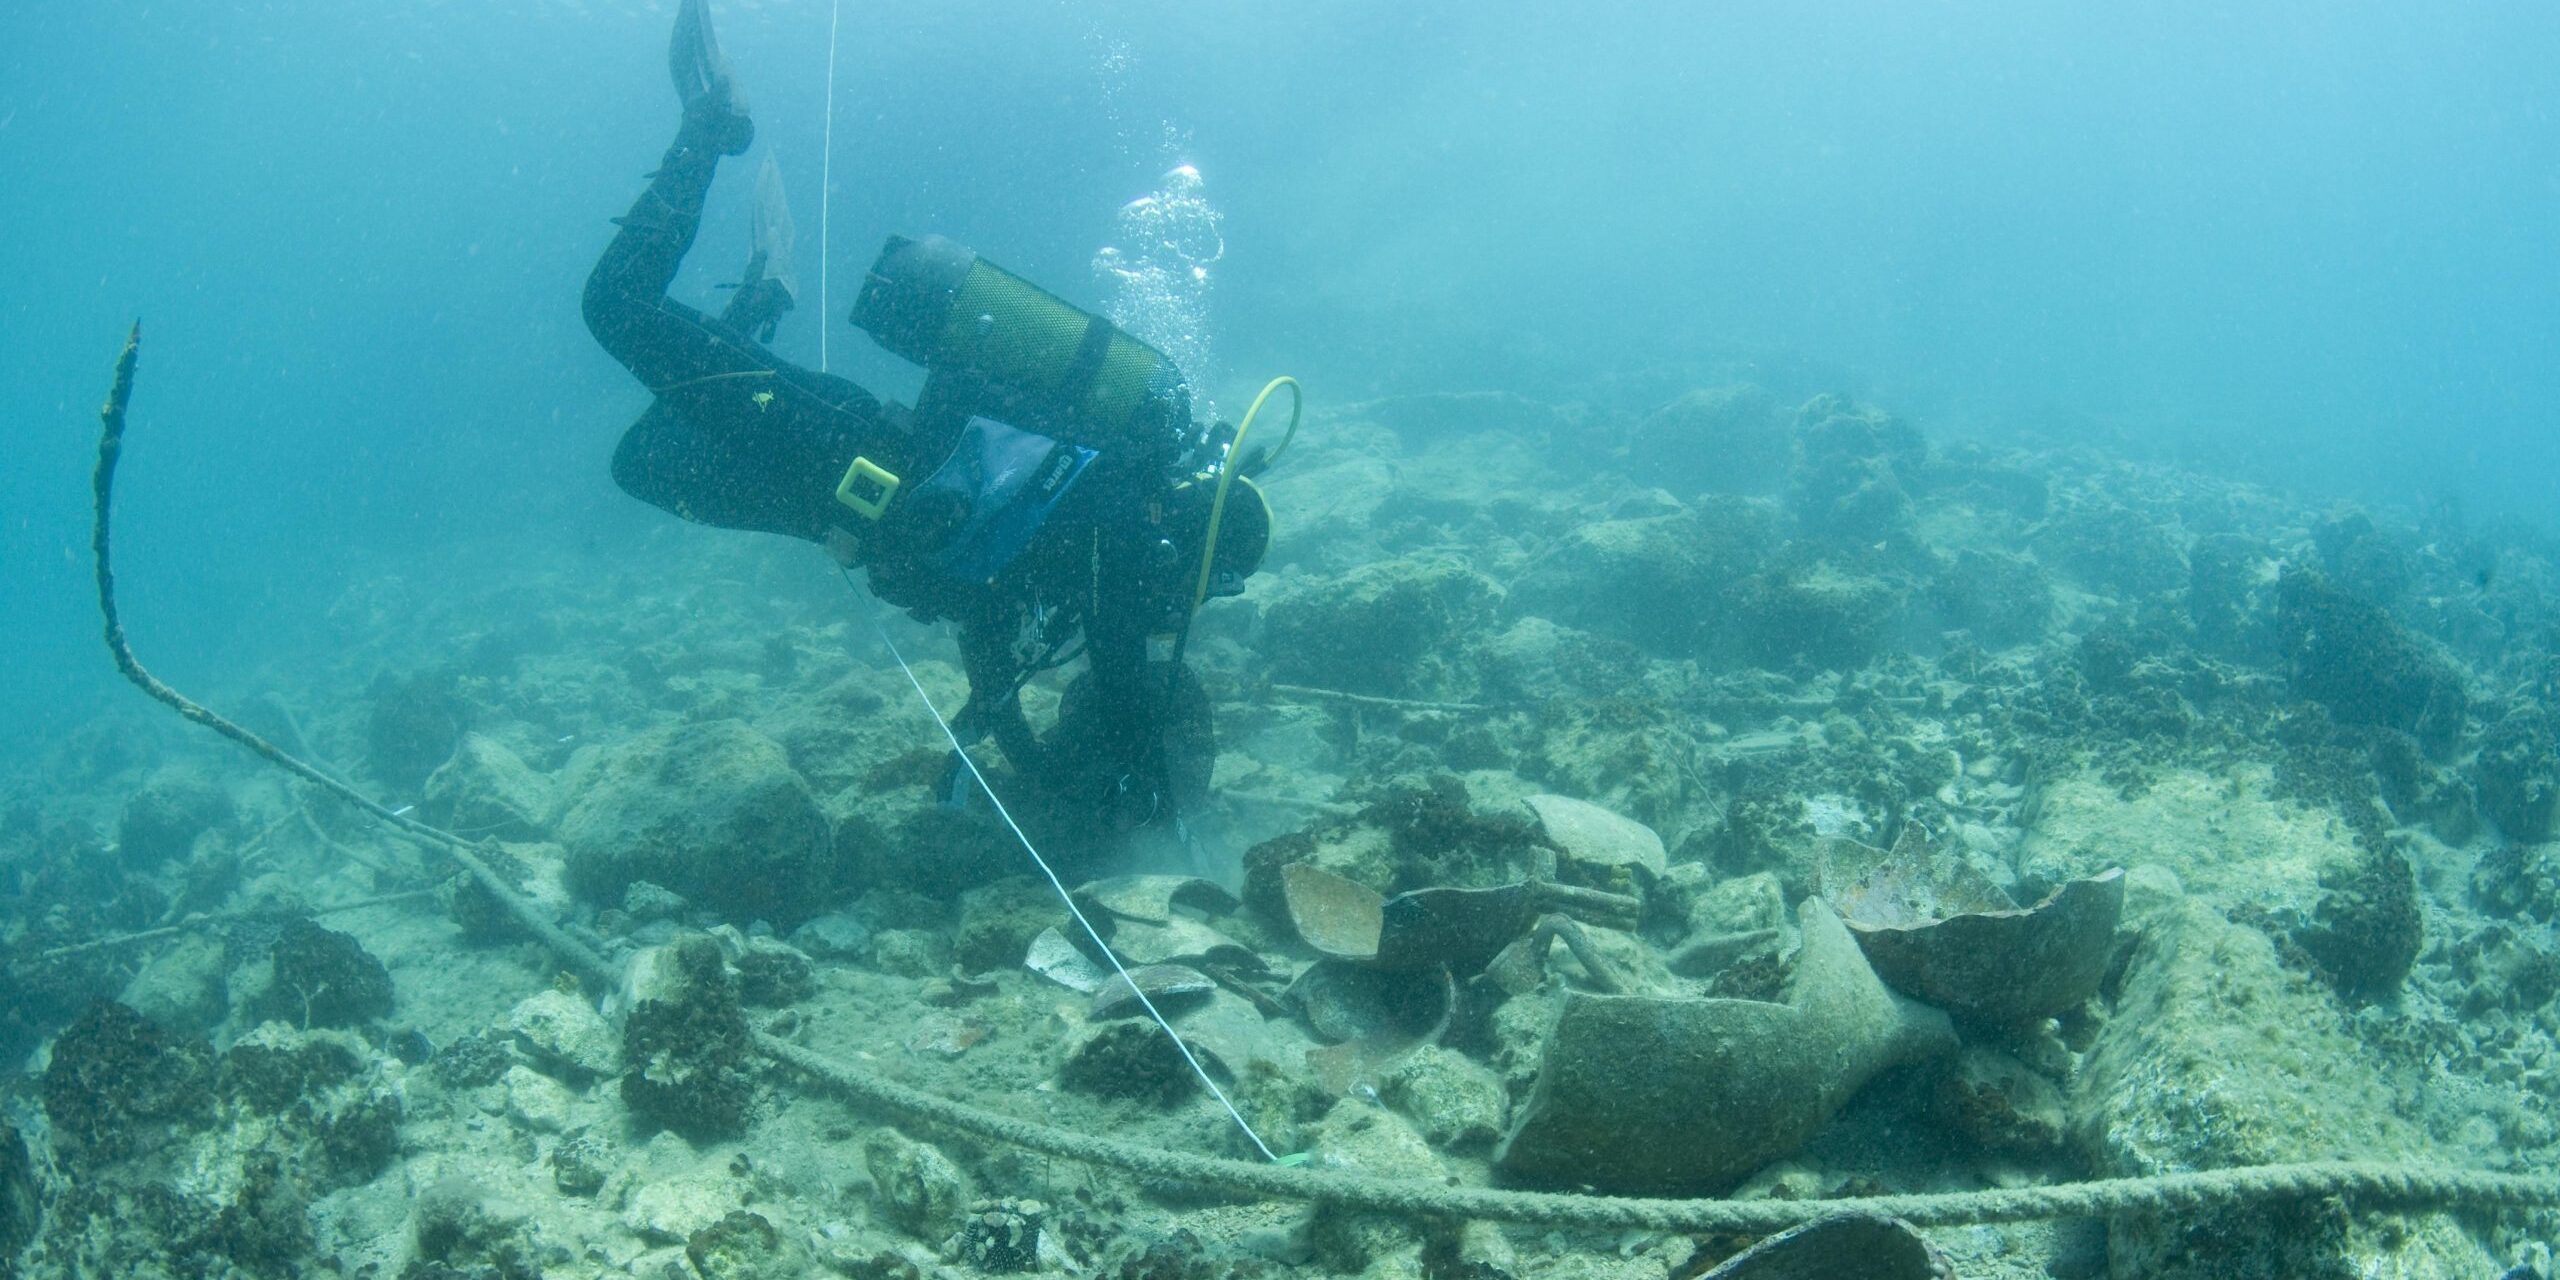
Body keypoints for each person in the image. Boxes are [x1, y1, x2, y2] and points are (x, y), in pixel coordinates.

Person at [582, 0, 1270, 835]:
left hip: (833, 513)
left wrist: (1006, 744)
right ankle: (711, 126)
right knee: (615, 306)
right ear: (1197, 543)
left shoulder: (1086, 538)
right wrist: (1143, 793)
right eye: (1204, 584)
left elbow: (988, 628)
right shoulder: (1119, 534)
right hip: (839, 444)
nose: (1185, 605)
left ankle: (761, 300)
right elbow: (1122, 678)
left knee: (644, 464)